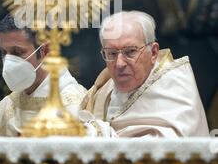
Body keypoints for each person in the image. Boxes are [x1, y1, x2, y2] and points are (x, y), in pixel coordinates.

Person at [80, 10, 209, 137]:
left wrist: (94, 132)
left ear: (153, 52)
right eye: (112, 53)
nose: (119, 64)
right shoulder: (105, 89)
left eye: (130, 51)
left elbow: (160, 151)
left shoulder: (175, 89)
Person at [0, 14, 86, 136]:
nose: (8, 62)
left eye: (17, 52)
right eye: (4, 53)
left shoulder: (75, 105)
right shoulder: (9, 106)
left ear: (45, 50)